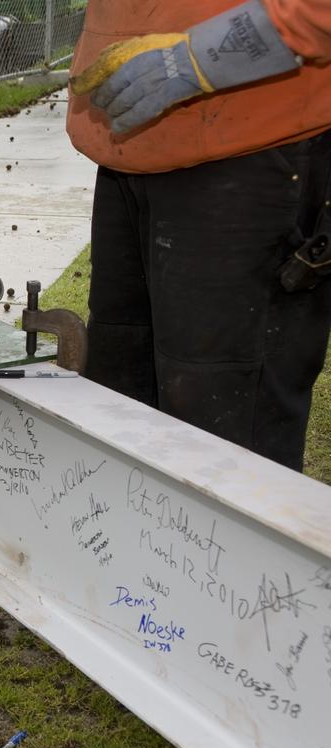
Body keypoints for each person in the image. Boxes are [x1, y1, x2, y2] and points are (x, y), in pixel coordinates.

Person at [68, 0, 331, 471]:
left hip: (253, 143)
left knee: (222, 437)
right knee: (123, 405)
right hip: (130, 142)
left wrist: (206, 56)